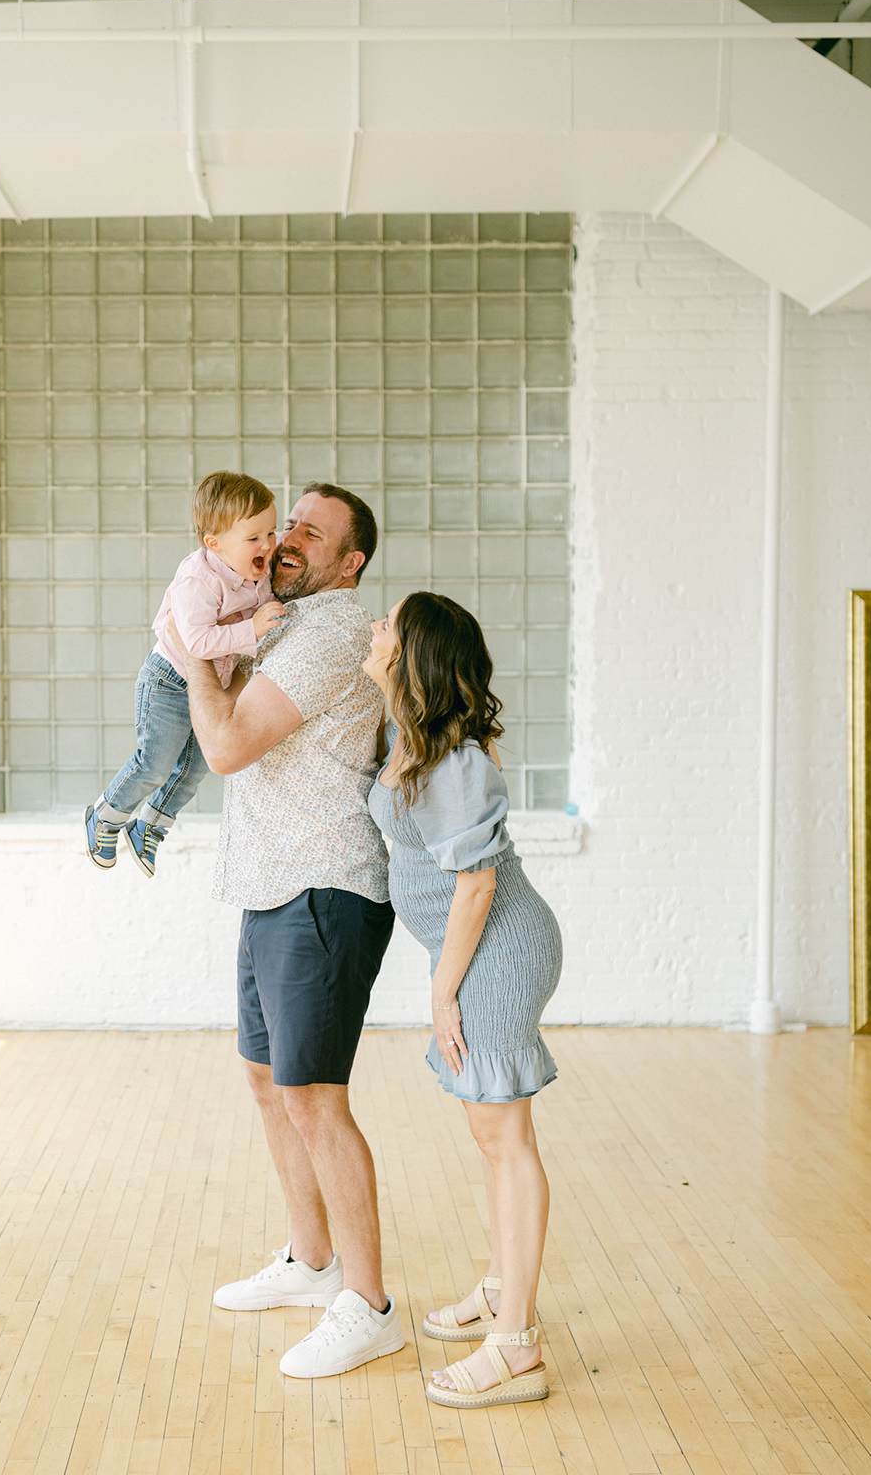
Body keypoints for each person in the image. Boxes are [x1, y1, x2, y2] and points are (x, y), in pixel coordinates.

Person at [172, 482, 405, 1380]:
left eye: (313, 531)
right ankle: (314, 1264)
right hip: (269, 886)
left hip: (324, 887)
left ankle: (370, 1304)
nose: (289, 539)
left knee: (314, 1097)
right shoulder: (282, 624)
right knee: (269, 1083)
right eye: (289, 524)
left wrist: (193, 654)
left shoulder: (336, 630)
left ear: (349, 563)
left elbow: (227, 745)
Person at [362, 592, 563, 1410]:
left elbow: (476, 884)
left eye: (388, 627)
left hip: (498, 953)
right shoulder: (417, 740)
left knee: (503, 1136)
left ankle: (514, 1346)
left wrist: (442, 991)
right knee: (492, 1136)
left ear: (414, 655)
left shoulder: (457, 762)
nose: (375, 630)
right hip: (476, 955)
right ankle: (501, 1287)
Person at [85, 471, 283, 877]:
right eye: (254, 538)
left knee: (196, 767)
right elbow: (195, 643)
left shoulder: (256, 573)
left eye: (272, 532)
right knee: (156, 763)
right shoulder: (198, 578)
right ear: (215, 544)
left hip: (210, 685)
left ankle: (151, 827)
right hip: (168, 681)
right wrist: (254, 628)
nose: (268, 545)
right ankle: (105, 814)